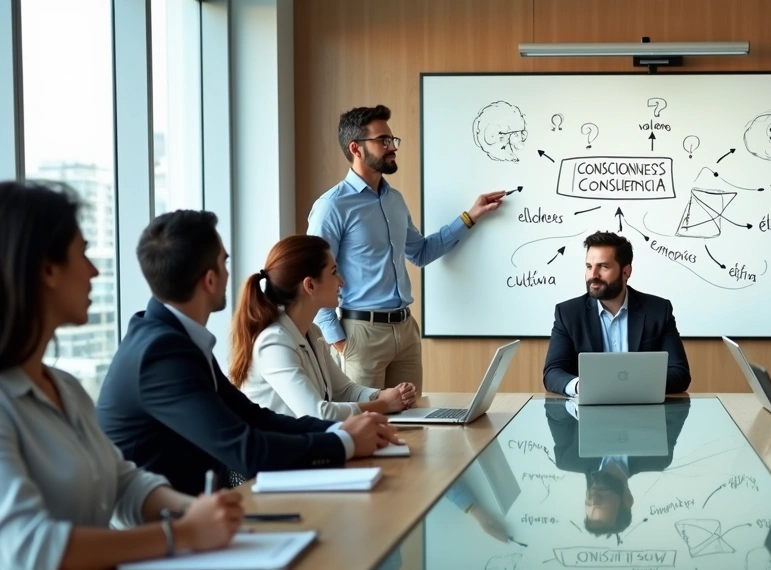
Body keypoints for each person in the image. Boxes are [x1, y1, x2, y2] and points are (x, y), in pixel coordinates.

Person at [0, 182, 243, 570]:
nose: (94, 271)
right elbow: (30, 551)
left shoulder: (65, 387)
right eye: (82, 253)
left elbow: (122, 481)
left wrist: (195, 510)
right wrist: (182, 534)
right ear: (46, 270)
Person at [98, 210, 401, 495]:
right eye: (224, 262)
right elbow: (245, 449)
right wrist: (343, 442)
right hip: (167, 527)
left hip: (199, 511)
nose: (230, 274)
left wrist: (340, 429)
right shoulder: (162, 353)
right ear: (210, 279)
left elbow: (254, 417)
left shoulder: (172, 338)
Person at [307, 104, 505, 393]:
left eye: (392, 140)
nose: (392, 147)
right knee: (366, 427)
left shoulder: (394, 200)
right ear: (356, 148)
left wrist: (470, 216)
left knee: (412, 427)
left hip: (406, 331)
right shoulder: (332, 206)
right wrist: (339, 341)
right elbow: (312, 275)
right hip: (361, 334)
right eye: (383, 141)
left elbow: (421, 252)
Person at [229, 235, 417, 420]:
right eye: (334, 272)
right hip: (278, 448)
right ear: (310, 285)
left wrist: (384, 395)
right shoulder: (273, 342)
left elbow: (345, 390)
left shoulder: (312, 332)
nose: (341, 281)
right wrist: (383, 405)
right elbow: (318, 413)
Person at [542, 232, 692, 396]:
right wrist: (580, 386)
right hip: (587, 415)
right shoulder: (568, 314)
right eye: (589, 266)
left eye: (603, 267)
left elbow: (680, 374)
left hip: (644, 414)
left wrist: (626, 386)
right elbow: (552, 372)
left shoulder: (658, 311)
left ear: (626, 271)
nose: (593, 275)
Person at [545, 397, 691, 537]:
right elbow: (678, 409)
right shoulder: (657, 458)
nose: (593, 499)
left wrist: (582, 405)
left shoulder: (569, 459)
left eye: (588, 504)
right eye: (601, 502)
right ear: (627, 499)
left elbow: (554, 410)